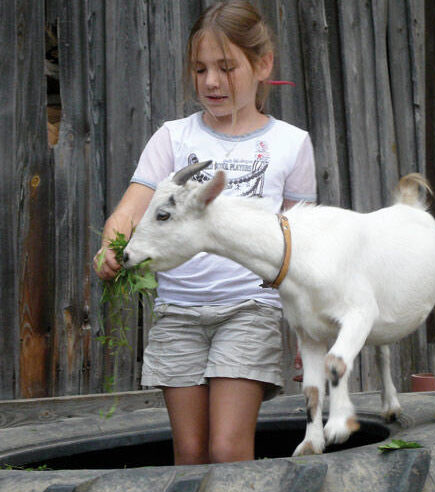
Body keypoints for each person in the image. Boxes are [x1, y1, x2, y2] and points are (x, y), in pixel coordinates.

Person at [93, 0, 316, 465]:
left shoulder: (290, 144)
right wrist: (110, 249)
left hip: (250, 309)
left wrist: (308, 329)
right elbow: (130, 212)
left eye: (225, 67)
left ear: (263, 65)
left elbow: (302, 247)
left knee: (227, 449)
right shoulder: (173, 138)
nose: (211, 82)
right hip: (177, 313)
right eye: (200, 69)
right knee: (190, 453)